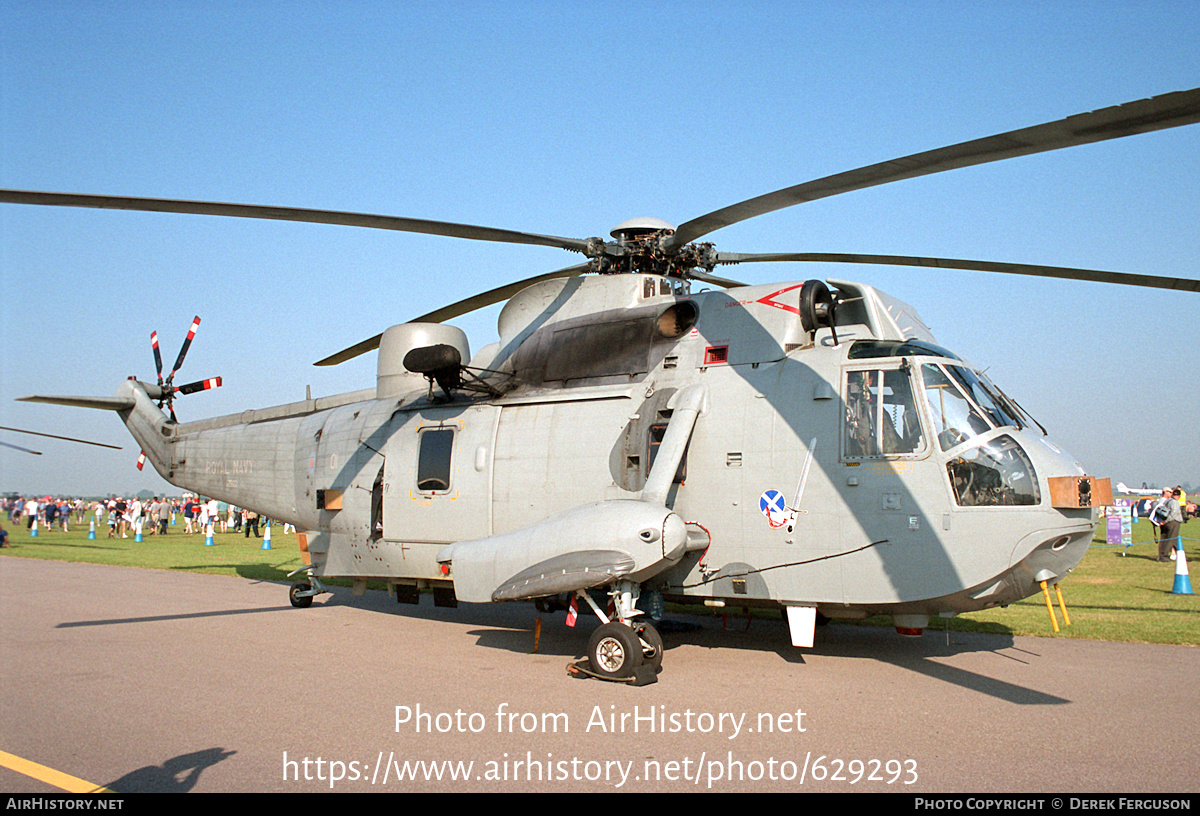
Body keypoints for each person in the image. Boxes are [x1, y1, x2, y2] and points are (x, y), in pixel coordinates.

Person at [1150, 488, 1182, 561]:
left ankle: (1182, 555)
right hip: (1172, 522)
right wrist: (1166, 521)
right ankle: (1163, 556)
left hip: (1165, 522)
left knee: (1171, 540)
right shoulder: (1174, 502)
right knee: (1171, 540)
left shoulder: (1166, 501)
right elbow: (1173, 513)